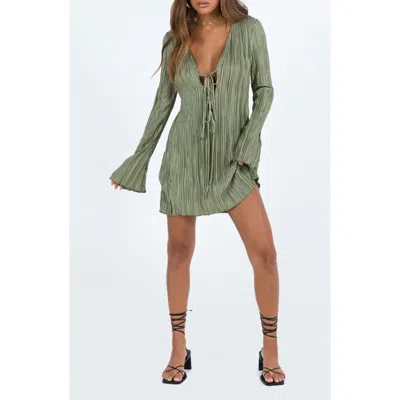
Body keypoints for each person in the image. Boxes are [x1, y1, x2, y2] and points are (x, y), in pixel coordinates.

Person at [109, 0, 285, 386]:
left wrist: (250, 141)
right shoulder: (175, 40)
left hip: (234, 161)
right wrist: (137, 160)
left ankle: (270, 348)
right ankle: (178, 347)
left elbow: (265, 90)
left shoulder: (250, 31)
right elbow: (162, 107)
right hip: (183, 162)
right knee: (178, 253)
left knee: (266, 255)